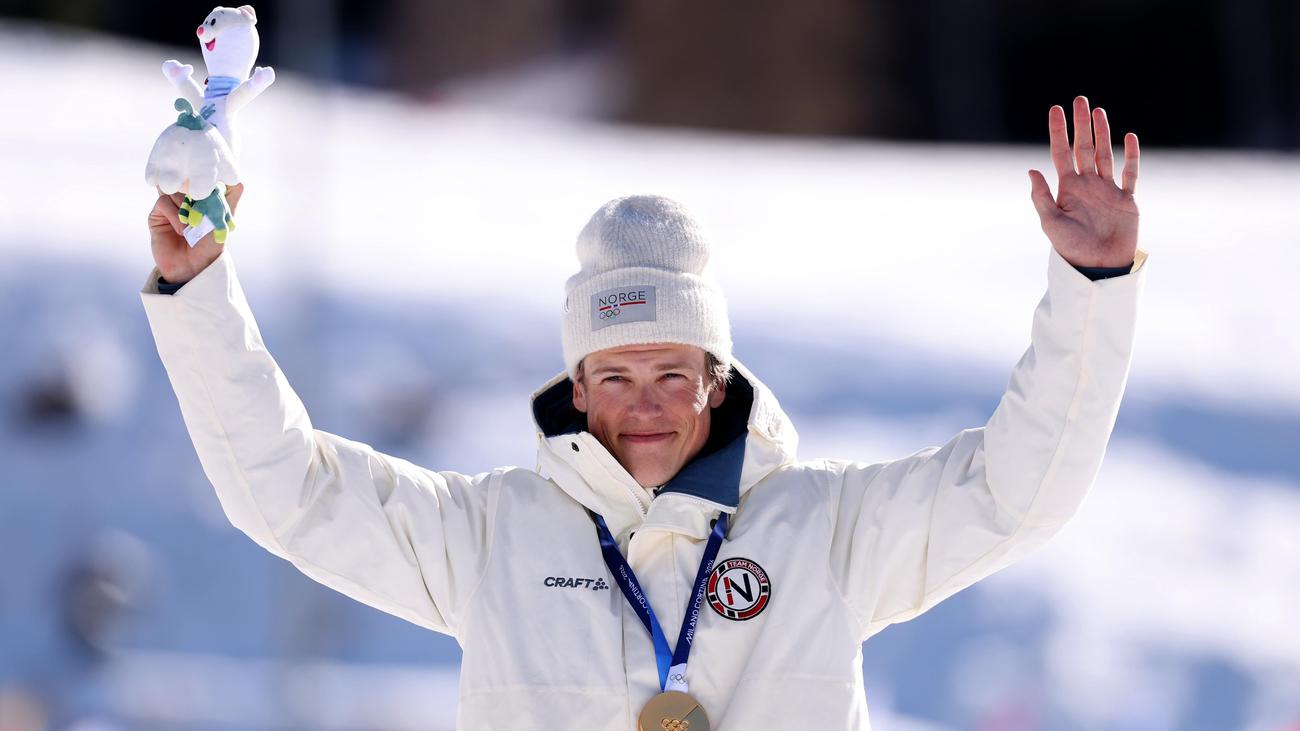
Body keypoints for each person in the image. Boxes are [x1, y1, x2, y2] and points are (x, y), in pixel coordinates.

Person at [141, 96, 1146, 730]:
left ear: (717, 375)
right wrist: (200, 294)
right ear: (576, 386)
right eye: (615, 377)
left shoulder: (825, 531)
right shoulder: (488, 540)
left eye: (671, 372)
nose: (646, 409)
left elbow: (1019, 489)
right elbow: (287, 490)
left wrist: (1091, 284)